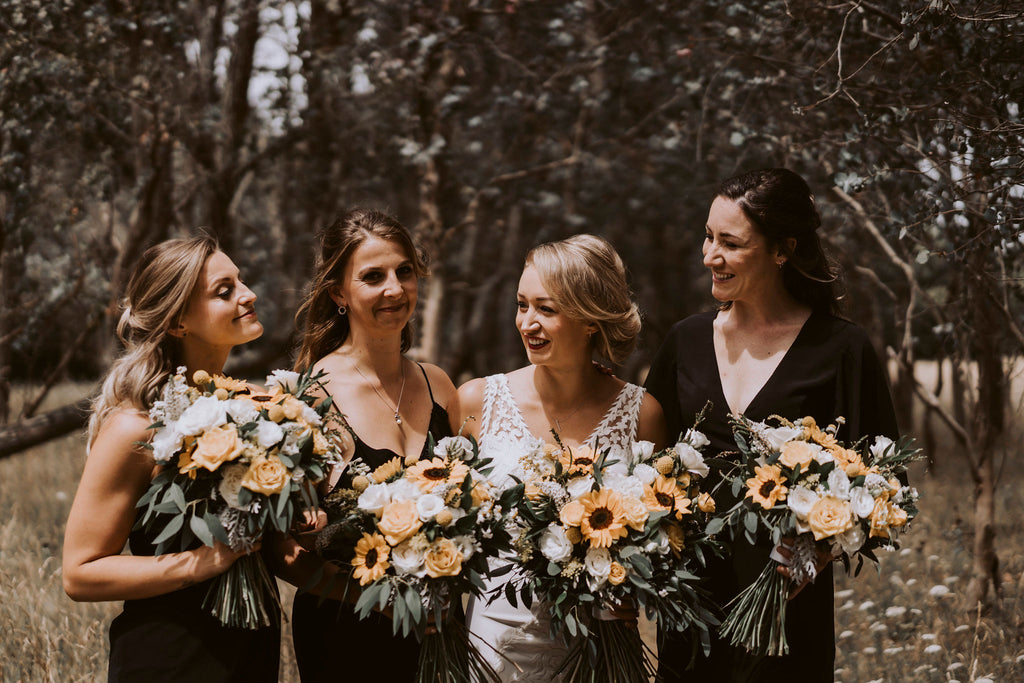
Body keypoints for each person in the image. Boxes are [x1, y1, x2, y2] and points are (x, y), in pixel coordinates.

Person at [645, 168, 900, 682]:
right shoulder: (683, 342)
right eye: (709, 236)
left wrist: (815, 551)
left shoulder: (843, 348)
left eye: (730, 243)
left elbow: (886, 482)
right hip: (691, 607)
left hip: (787, 611)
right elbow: (644, 468)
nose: (710, 255)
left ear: (782, 250)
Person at [62, 235, 280, 681]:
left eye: (241, 281)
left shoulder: (261, 406)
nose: (248, 294)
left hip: (252, 649)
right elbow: (80, 573)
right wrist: (202, 563)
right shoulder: (135, 426)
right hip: (170, 656)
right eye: (225, 291)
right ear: (179, 321)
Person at [455, 234, 667, 681]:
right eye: (521, 304)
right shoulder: (476, 401)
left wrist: (633, 588)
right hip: (493, 646)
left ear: (591, 320)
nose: (527, 322)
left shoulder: (640, 414)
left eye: (546, 309)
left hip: (599, 649)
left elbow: (662, 538)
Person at [274, 208, 457, 682]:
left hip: (441, 631)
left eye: (404, 272)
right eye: (373, 277)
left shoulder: (440, 386)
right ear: (338, 292)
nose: (394, 289)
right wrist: (377, 599)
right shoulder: (307, 397)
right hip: (347, 636)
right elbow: (282, 550)